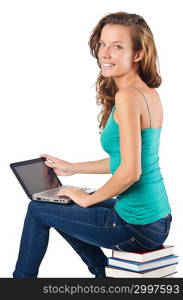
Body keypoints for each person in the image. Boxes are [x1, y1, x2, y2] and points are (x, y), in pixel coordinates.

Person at [13, 11, 172, 278]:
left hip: (134, 226)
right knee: (63, 201)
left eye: (117, 46)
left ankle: (20, 285)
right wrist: (72, 168)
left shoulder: (128, 97)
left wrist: (88, 199)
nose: (105, 54)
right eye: (103, 44)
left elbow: (131, 173)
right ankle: (103, 277)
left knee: (38, 209)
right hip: (157, 218)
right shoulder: (147, 92)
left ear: (138, 54)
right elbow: (127, 160)